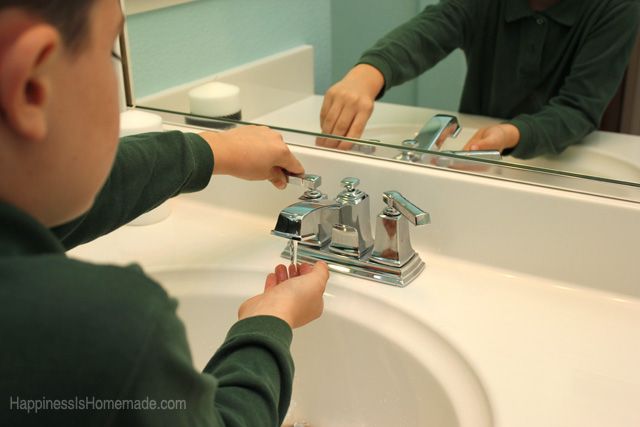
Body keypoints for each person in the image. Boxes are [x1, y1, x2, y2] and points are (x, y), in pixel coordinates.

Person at [0, 0, 329, 425]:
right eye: (109, 53)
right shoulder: (108, 327)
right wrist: (268, 323)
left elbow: (49, 206)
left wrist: (214, 150)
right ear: (31, 84)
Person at [320, 0, 640, 158]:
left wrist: (512, 134)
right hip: (479, 159)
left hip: (565, 164)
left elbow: (579, 107)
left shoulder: (618, 8)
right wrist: (368, 73)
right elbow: (436, 26)